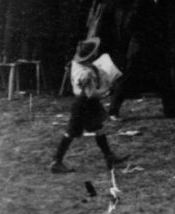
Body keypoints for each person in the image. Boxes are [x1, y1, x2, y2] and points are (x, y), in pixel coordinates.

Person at [107, 0, 175, 119]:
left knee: (165, 77)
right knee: (128, 79)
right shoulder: (142, 0)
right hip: (141, 48)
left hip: (152, 46)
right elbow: (131, 25)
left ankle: (171, 109)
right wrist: (145, 38)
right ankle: (113, 109)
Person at [50, 38, 125, 173]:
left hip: (87, 104)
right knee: (71, 132)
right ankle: (57, 161)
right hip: (83, 105)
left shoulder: (80, 65)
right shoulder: (86, 73)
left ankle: (109, 156)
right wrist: (107, 91)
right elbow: (91, 94)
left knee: (99, 129)